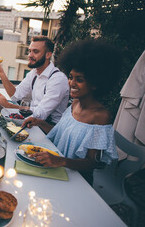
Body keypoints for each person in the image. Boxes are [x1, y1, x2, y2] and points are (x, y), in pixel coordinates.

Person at [22, 38, 122, 184]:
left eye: (79, 79)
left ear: (95, 83)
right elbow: (61, 134)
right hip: (57, 170)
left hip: (78, 180)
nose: (71, 83)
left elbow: (91, 163)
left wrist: (60, 161)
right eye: (70, 77)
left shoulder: (100, 116)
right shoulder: (75, 103)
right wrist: (40, 123)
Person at [0, 35, 69, 124]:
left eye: (35, 52)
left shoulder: (58, 79)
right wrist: (2, 76)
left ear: (48, 55)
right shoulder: (34, 74)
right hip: (32, 121)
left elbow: (41, 113)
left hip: (49, 129)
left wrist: (8, 106)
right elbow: (16, 95)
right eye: (30, 51)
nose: (30, 55)